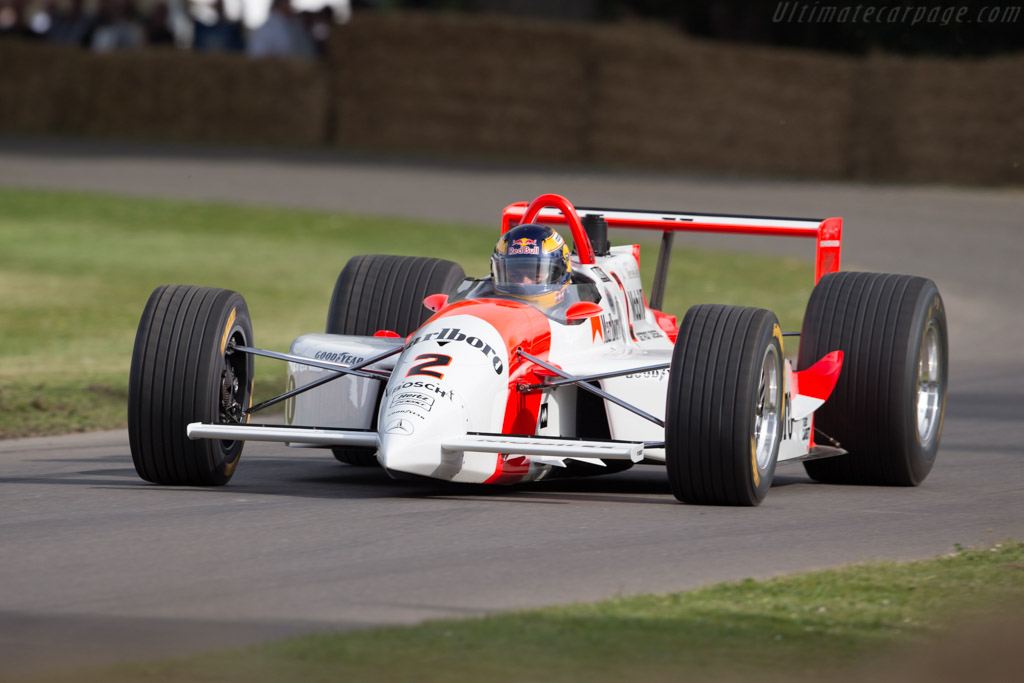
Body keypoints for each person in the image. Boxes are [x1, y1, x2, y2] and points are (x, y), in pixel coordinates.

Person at [490, 223, 572, 309]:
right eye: (514, 275)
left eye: (535, 276)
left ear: (561, 273)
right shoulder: (480, 296)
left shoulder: (581, 312)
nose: (523, 284)